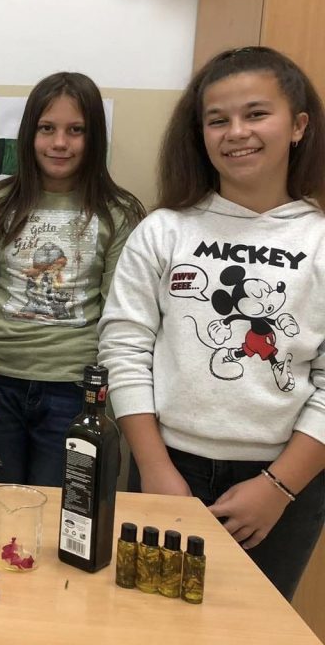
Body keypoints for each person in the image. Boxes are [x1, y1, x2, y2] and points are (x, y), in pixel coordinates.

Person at [98, 46, 325, 600]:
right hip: (167, 463)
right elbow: (124, 350)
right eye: (217, 119)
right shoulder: (163, 231)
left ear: (298, 126)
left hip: (285, 477)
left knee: (251, 624)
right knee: (146, 618)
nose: (236, 132)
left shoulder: (318, 237)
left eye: (256, 113)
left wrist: (278, 487)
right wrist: (154, 468)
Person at [0, 72, 145, 486]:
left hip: (73, 388)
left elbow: (120, 315)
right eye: (47, 128)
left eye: (76, 130)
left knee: (62, 506)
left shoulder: (118, 212)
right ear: (29, 134)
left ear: (95, 138)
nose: (60, 142)